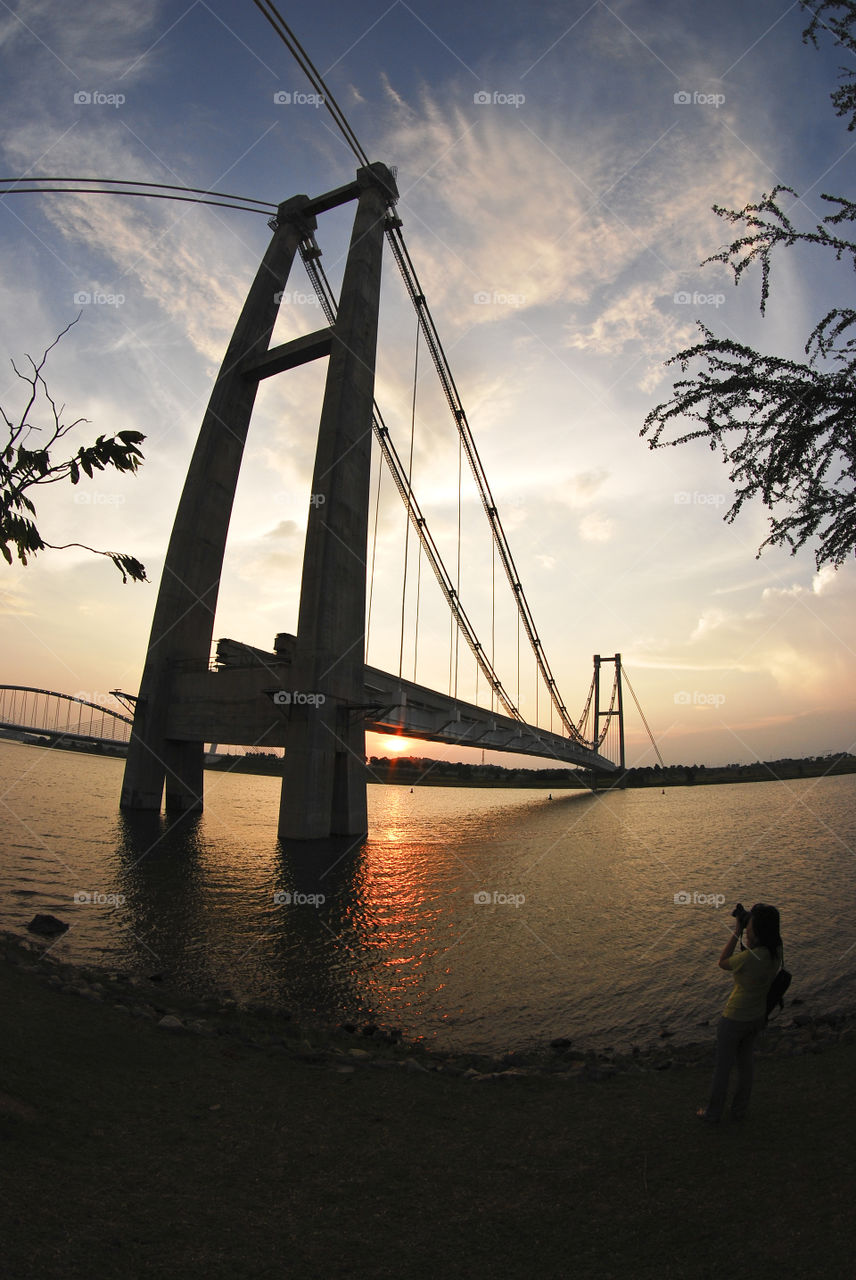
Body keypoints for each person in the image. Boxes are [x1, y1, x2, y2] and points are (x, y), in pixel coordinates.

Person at [697, 902, 782, 1124]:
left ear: (758, 930)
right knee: (745, 1066)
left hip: (734, 1018)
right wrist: (749, 927)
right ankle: (739, 1110)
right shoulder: (776, 952)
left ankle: (713, 1113)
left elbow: (723, 961)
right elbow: (759, 949)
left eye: (751, 926)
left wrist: (736, 931)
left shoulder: (749, 958)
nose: (748, 929)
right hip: (756, 1017)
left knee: (723, 1068)